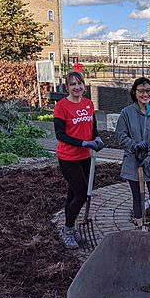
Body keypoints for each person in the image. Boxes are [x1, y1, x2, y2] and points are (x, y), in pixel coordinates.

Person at [53, 71, 104, 249]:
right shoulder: (61, 106)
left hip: (85, 157)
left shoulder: (88, 104)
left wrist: (97, 139)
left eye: (79, 83)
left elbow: (93, 128)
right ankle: (67, 229)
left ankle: (71, 226)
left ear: (84, 85)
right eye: (72, 84)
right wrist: (83, 142)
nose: (77, 87)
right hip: (68, 157)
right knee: (82, 194)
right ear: (67, 87)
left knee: (73, 194)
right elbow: (60, 135)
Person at [116, 77, 150, 231]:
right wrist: (135, 147)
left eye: (148, 90)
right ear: (134, 92)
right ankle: (140, 227)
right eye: (141, 91)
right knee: (138, 198)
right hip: (134, 162)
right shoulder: (127, 113)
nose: (145, 94)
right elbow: (121, 135)